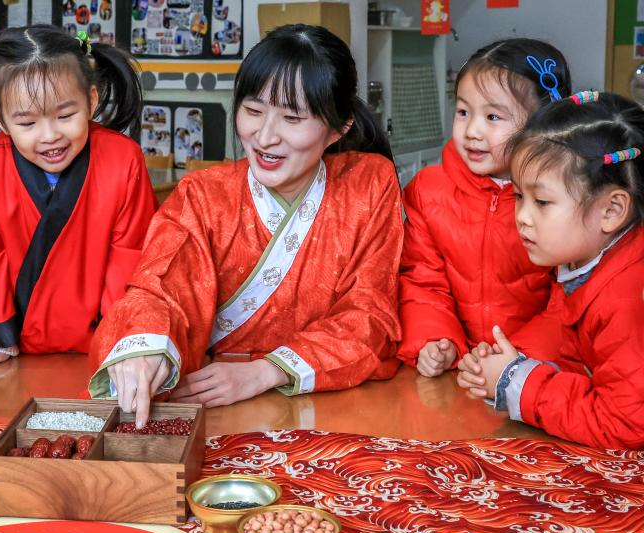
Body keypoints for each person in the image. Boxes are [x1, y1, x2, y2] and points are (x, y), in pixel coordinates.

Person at [89, 24, 403, 426]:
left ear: (338, 128)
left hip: (323, 403)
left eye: (292, 118)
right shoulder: (201, 194)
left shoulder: (369, 184)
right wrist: (145, 350)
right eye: (253, 111)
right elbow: (159, 288)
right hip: (211, 401)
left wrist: (267, 371)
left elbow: (371, 314)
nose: (265, 137)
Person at [0, 25, 155, 365]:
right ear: (0, 119)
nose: (50, 135)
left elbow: (131, 258)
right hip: (15, 350)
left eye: (65, 116)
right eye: (27, 123)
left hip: (104, 346)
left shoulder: (123, 159)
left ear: (91, 101)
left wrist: (121, 339)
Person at [457, 92, 644, 449]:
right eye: (518, 197)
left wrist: (518, 381)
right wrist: (508, 362)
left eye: (541, 201)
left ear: (611, 210)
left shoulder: (628, 299)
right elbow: (566, 335)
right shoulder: (585, 259)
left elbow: (625, 423)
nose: (523, 217)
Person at [398, 40, 572, 378]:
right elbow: (422, 280)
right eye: (463, 112)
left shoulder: (564, 200)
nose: (472, 131)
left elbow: (568, 296)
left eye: (493, 116)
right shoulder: (428, 191)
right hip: (460, 370)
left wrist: (518, 357)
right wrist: (436, 340)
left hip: (538, 369)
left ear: (541, 124)